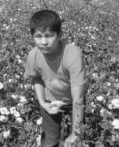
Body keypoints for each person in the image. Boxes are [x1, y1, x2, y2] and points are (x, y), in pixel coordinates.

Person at [24, 10, 87, 147]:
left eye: (49, 36)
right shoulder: (33, 55)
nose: (44, 42)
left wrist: (75, 134)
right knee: (48, 142)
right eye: (38, 36)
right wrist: (42, 103)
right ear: (32, 37)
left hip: (74, 101)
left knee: (76, 142)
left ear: (60, 35)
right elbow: (36, 79)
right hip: (50, 101)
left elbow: (79, 99)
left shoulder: (72, 55)